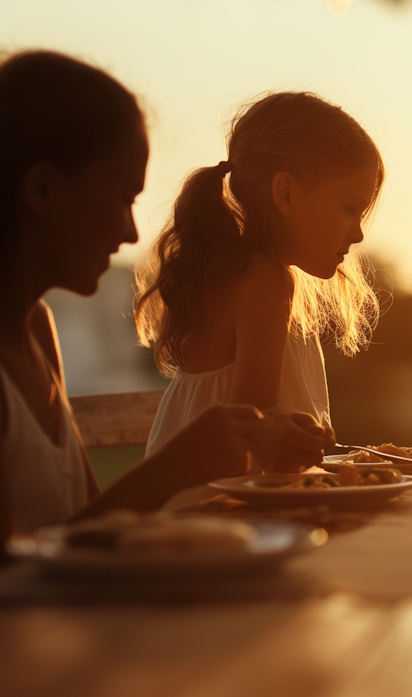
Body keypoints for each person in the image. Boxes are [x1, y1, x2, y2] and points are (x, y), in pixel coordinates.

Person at [0, 51, 331, 616]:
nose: (131, 230)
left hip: (45, 664)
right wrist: (170, 471)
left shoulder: (34, 331)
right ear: (43, 189)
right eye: (122, 198)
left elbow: (88, 531)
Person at [135, 91, 382, 491]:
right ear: (285, 193)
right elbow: (252, 447)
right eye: (349, 209)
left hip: (191, 512)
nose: (357, 233)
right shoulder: (266, 282)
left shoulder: (235, 273)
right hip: (220, 522)